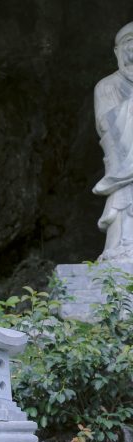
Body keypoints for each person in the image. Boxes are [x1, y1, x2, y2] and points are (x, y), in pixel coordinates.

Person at [93, 22, 133, 262]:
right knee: (123, 204)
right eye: (129, 43)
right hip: (125, 164)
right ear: (117, 51)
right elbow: (104, 125)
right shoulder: (107, 86)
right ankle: (121, 248)